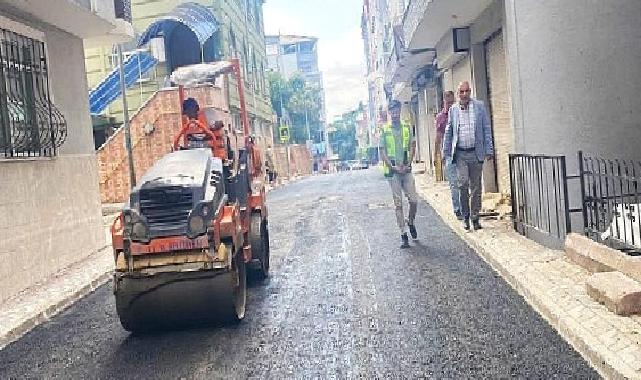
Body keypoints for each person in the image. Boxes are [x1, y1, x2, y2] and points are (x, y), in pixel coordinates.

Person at [443, 81, 494, 231]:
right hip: (460, 154)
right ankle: (465, 217)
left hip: (476, 152)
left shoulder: (479, 107)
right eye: (461, 92)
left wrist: (489, 149)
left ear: (470, 92)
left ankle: (475, 217)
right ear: (458, 94)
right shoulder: (453, 110)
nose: (464, 94)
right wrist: (446, 152)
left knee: (476, 187)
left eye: (467, 91)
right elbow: (449, 130)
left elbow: (486, 128)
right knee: (463, 184)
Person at [380, 100, 418, 248]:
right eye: (392, 112)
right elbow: (382, 151)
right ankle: (403, 234)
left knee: (413, 200)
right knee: (398, 204)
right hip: (393, 171)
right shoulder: (385, 130)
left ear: (400, 111)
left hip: (406, 170)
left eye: (397, 111)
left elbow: (412, 146)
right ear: (389, 113)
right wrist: (393, 167)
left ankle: (411, 221)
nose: (395, 114)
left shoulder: (407, 127)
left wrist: (408, 164)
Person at [435, 91, 462, 220]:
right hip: (449, 155)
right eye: (448, 102)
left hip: (462, 152)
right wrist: (437, 155)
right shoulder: (441, 117)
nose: (450, 105)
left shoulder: (460, 113)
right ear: (444, 102)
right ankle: (458, 210)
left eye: (452, 102)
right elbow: (438, 137)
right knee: (454, 184)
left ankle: (465, 208)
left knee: (463, 182)